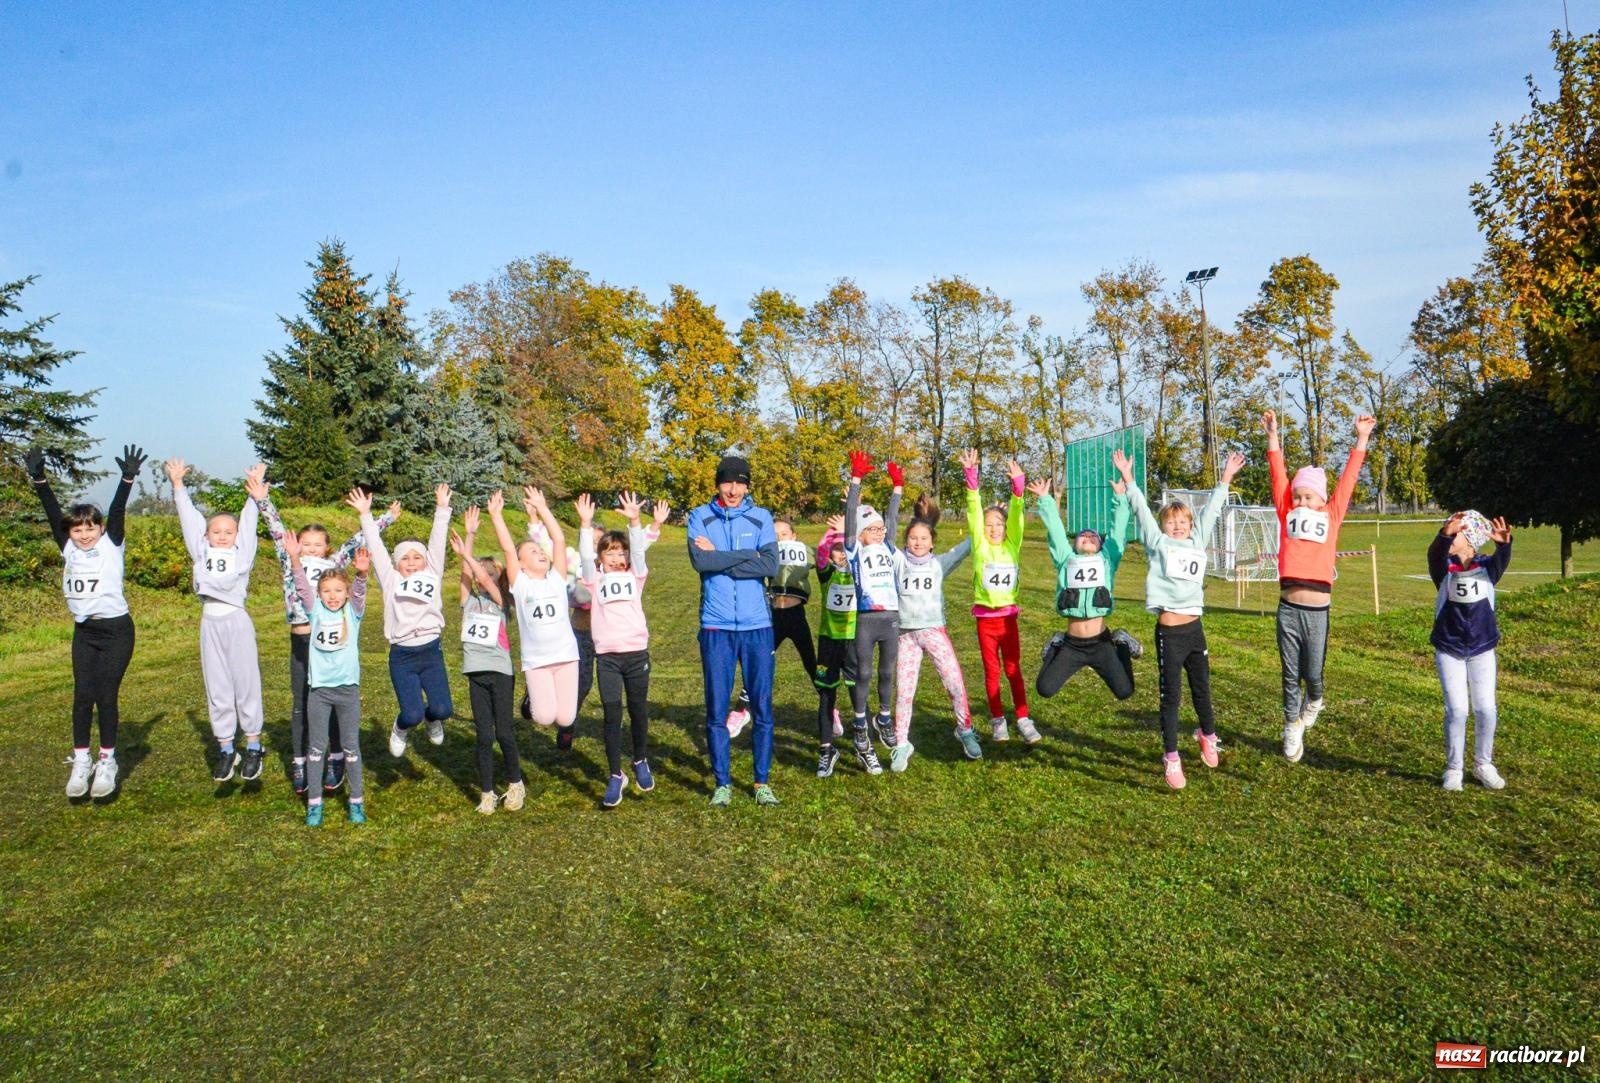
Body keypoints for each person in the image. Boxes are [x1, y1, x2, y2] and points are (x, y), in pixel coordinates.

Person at [248, 471, 398, 795]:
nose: (312, 548)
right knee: (302, 703)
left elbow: (359, 540)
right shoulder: (291, 561)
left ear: (327, 547)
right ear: (297, 545)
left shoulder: (334, 562)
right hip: (301, 640)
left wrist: (385, 517)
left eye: (318, 544)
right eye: (307, 544)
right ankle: (300, 761)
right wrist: (262, 499)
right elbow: (276, 529)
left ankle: (335, 758)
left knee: (330, 696)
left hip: (329, 643)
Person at [1118, 448, 1245, 789]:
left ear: (1190, 525)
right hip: (1170, 633)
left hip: (1195, 631)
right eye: (1172, 521)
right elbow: (1142, 512)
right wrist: (1129, 480)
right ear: (1164, 526)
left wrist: (1226, 478)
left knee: (1202, 690)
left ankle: (1208, 735)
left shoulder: (1198, 540)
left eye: (1183, 521)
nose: (1177, 526)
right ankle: (1171, 757)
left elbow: (1213, 511)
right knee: (1171, 696)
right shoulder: (1156, 543)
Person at [26, 444, 144, 798]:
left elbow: (117, 510)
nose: (84, 534)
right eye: (77, 530)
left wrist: (126, 479)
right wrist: (40, 479)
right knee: (81, 697)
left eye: (90, 528)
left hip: (116, 631)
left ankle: (107, 761)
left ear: (100, 528)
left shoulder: (111, 544)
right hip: (85, 631)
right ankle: (81, 760)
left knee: (105, 695)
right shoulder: (68, 548)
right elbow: (52, 513)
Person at [1265, 410, 1376, 763]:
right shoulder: (1287, 512)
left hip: (1317, 612)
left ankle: (1315, 700)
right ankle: (1290, 726)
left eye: (1308, 497)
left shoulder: (1331, 513)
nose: (1301, 502)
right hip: (1288, 609)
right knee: (1289, 673)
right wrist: (1272, 436)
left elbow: (1349, 479)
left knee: (1312, 673)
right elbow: (1277, 475)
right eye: (1297, 497)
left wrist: (1361, 439)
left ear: (1322, 499)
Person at [687, 454, 780, 807]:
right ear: (717, 483)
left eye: (741, 482)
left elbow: (770, 564)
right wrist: (747, 558)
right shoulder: (700, 517)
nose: (734, 489)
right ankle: (722, 783)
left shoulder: (761, 517)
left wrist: (722, 556)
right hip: (717, 628)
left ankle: (761, 782)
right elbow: (701, 562)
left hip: (758, 626)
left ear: (747, 485)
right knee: (716, 709)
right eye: (728, 482)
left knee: (762, 707)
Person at [169, 457, 266, 783]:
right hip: (210, 622)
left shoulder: (242, 552)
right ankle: (227, 748)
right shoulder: (201, 550)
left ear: (236, 535)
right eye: (216, 531)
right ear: (207, 536)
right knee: (218, 687)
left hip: (236, 621)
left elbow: (249, 523)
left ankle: (253, 744)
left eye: (228, 531)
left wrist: (253, 496)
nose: (222, 536)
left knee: (245, 683)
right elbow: (190, 520)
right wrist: (179, 486)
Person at [577, 491, 671, 808]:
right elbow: (585, 556)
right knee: (612, 714)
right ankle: (616, 774)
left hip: (636, 656)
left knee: (638, 710)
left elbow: (640, 553)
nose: (616, 558)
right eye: (610, 553)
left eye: (621, 553)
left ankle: (640, 759)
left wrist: (634, 520)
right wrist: (586, 524)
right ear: (600, 558)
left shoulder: (636, 575)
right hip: (607, 659)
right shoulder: (594, 580)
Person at [351, 483, 454, 758]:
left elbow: (437, 542)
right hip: (403, 655)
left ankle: (434, 720)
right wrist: (365, 515)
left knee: (443, 709)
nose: (411, 562)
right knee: (411, 714)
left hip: (431, 651)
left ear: (426, 562)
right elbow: (377, 547)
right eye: (404, 558)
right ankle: (400, 729)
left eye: (417, 557)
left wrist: (442, 509)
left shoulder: (433, 573)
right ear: (396, 564)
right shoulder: (391, 578)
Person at [1032, 472, 1141, 703]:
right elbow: (1056, 532)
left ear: (1101, 546)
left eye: (1093, 537)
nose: (1088, 536)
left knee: (1125, 691)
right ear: (1074, 545)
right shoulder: (1066, 559)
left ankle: (1120, 641)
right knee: (1044, 688)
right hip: (1072, 644)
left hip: (1101, 642)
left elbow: (1118, 532)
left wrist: (1120, 499)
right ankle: (1056, 642)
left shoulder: (1107, 559)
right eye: (1083, 536)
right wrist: (1045, 500)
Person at [285, 533, 370, 825]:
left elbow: (360, 592)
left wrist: (360, 574)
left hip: (347, 691)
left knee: (350, 748)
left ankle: (356, 802)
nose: (332, 596)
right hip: (319, 693)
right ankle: (314, 804)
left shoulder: (353, 612)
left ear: (345, 593)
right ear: (319, 594)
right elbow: (300, 586)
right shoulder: (315, 610)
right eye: (326, 591)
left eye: (338, 590)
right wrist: (295, 558)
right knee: (316, 748)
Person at [1428, 511, 1514, 792]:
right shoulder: (1444, 568)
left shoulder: (1488, 568)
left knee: (1486, 708)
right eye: (1450, 530)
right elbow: (1434, 555)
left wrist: (1503, 545)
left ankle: (1483, 764)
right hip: (1449, 649)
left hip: (1482, 649)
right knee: (1457, 710)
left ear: (1473, 539)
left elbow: (1502, 559)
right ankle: (1454, 769)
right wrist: (1444, 535)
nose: (1453, 535)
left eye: (1459, 531)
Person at [449, 506, 524, 815]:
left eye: (490, 572)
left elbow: (483, 578)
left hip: (501, 673)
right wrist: (469, 534)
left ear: (498, 579)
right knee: (484, 736)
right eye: (481, 572)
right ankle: (487, 792)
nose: (483, 576)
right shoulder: (469, 601)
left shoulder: (501, 600)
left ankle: (516, 784)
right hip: (476, 674)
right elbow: (469, 577)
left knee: (504, 733)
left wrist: (468, 556)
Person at [892, 493, 976, 765]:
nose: (918, 543)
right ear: (906, 540)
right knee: (905, 691)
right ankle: (902, 743)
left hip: (933, 632)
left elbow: (969, 545)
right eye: (913, 538)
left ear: (932, 543)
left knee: (954, 683)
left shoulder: (939, 564)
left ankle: (965, 729)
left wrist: (984, 520)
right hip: (905, 636)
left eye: (924, 539)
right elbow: (883, 533)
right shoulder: (897, 562)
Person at [489, 487, 580, 736]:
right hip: (537, 662)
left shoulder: (557, 579)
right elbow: (508, 549)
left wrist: (542, 508)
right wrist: (497, 517)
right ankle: (531, 698)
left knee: (566, 718)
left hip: (566, 657)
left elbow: (558, 540)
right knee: (543, 716)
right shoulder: (521, 585)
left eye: (540, 551)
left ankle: (541, 697)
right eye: (532, 552)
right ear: (520, 564)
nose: (540, 553)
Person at [961, 449, 1035, 742]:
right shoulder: (980, 546)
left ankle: (1024, 718)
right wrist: (971, 478)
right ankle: (997, 720)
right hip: (986, 622)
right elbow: (973, 510)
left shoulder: (1012, 544)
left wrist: (1019, 487)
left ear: (1006, 528)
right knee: (992, 672)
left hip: (1008, 621)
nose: (993, 528)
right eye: (989, 524)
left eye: (998, 524)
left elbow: (1017, 514)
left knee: (1014, 670)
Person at [725, 514, 821, 740]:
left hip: (797, 616)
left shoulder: (805, 551)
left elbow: (827, 561)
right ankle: (741, 711)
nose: (780, 539)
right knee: (759, 663)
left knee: (811, 662)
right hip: (772, 616)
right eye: (775, 536)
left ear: (794, 536)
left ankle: (829, 708)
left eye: (784, 534)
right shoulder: (769, 554)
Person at [812, 516, 857, 777]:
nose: (841, 554)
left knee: (857, 693)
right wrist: (832, 533)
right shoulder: (826, 573)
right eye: (836, 550)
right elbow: (820, 552)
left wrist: (849, 532)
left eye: (844, 549)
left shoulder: (859, 574)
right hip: (828, 641)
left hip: (852, 641)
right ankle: (826, 749)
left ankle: (865, 743)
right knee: (826, 695)